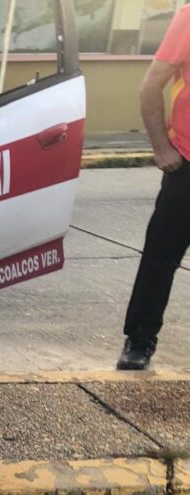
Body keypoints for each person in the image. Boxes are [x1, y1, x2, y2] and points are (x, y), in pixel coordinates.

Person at [118, 5, 190, 369]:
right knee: (160, 260)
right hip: (188, 168)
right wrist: (161, 147)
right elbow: (151, 84)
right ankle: (139, 341)